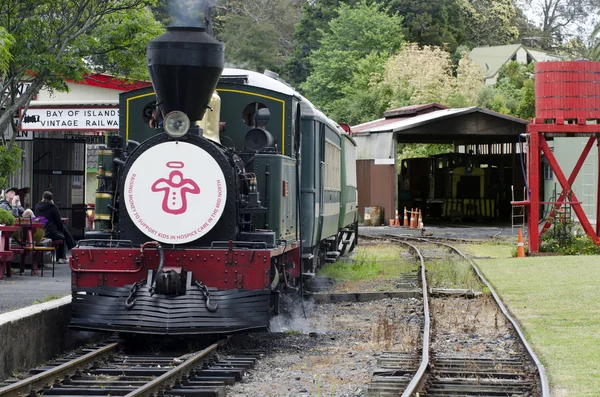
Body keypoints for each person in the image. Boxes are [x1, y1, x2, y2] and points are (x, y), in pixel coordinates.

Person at [34, 191, 74, 263]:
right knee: (62, 236)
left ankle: (72, 245)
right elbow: (58, 221)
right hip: (50, 232)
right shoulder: (53, 207)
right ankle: (61, 258)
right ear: (51, 199)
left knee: (63, 231)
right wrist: (60, 230)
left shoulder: (37, 206)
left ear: (42, 198)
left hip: (40, 232)